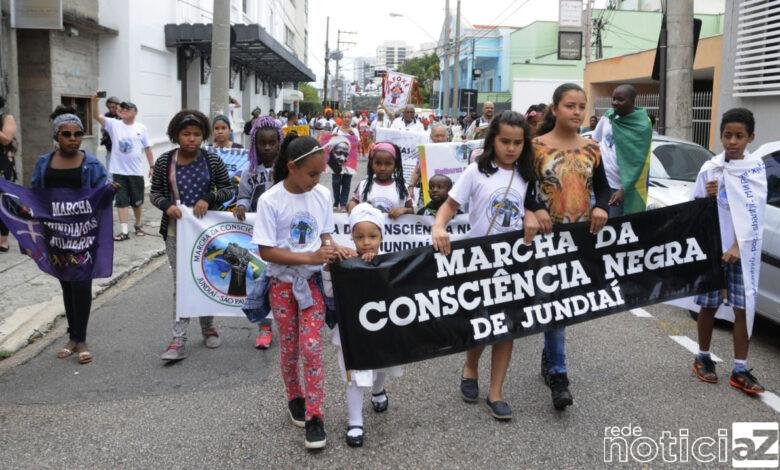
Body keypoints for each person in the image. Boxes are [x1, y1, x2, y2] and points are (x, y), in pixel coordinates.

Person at [431, 110, 539, 420]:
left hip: (515, 264)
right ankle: (470, 367)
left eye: (518, 143)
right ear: (493, 139)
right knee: (481, 323)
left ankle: (496, 392)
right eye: (505, 141)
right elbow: (449, 207)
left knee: (507, 327)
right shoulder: (476, 172)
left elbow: (532, 205)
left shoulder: (527, 173)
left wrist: (531, 213)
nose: (511, 148)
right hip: (479, 263)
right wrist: (439, 227)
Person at [252, 134, 352, 450]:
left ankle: (315, 416)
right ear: (292, 167)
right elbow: (266, 251)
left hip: (311, 285)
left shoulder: (321, 195)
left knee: (311, 347)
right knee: (291, 348)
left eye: (320, 173)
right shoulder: (270, 200)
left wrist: (336, 249)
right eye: (311, 173)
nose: (316, 179)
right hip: (282, 287)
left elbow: (324, 238)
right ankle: (294, 396)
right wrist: (309, 256)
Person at [531, 83, 610, 410]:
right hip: (544, 238)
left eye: (581, 106)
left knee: (563, 304)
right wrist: (534, 209)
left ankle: (553, 361)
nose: (576, 112)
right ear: (555, 108)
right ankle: (559, 374)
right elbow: (521, 189)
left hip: (579, 238)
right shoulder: (534, 147)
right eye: (570, 106)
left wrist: (601, 206)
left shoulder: (593, 148)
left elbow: (604, 189)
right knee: (551, 302)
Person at [691, 108, 768, 395]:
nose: (732, 141)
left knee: (742, 307)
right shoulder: (710, 168)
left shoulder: (755, 169)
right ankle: (702, 357)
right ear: (720, 135)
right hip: (713, 248)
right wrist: (708, 197)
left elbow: (755, 215)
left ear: (751, 137)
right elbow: (694, 208)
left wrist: (738, 245)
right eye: (727, 135)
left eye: (739, 136)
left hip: (741, 253)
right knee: (708, 304)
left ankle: (739, 368)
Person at [150, 110, 234, 362]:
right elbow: (154, 194)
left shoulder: (212, 160)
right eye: (186, 134)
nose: (192, 139)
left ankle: (208, 326)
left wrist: (208, 198)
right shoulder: (166, 162)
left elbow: (228, 189)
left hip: (206, 233)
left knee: (205, 278)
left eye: (197, 134)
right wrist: (167, 206)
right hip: (177, 233)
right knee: (182, 283)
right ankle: (178, 338)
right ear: (176, 135)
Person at [31, 107, 109, 364]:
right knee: (66, 283)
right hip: (56, 236)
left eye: (78, 134)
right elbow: (35, 194)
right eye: (66, 134)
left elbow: (102, 195)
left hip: (84, 235)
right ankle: (72, 337)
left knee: (81, 284)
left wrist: (109, 191)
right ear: (57, 136)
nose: (73, 138)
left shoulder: (92, 164)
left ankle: (82, 338)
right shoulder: (44, 163)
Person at [322, 203, 402, 447]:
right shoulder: (343, 262)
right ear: (351, 237)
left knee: (381, 367)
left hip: (382, 328)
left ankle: (378, 391)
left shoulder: (389, 262)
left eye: (372, 236)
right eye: (359, 236)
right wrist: (329, 270)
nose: (366, 242)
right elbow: (329, 292)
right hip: (351, 331)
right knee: (354, 377)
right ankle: (355, 421)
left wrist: (374, 265)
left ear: (381, 236)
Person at [235, 115, 283, 349]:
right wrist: (242, 205)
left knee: (282, 279)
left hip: (282, 233)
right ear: (254, 144)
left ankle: (287, 323)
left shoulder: (287, 170)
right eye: (262, 143)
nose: (267, 147)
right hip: (258, 233)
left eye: (272, 142)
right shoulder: (249, 172)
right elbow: (244, 195)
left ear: (279, 143)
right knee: (260, 280)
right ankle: (264, 326)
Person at [91, 97, 154, 241]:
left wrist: (152, 166)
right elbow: (96, 116)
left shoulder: (141, 128)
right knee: (121, 201)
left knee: (137, 201)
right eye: (122, 109)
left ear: (135, 112)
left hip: (136, 171)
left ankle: (138, 225)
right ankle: (124, 231)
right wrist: (94, 101)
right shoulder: (114, 124)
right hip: (118, 172)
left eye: (128, 109)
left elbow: (148, 148)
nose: (124, 111)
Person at [592, 84, 652, 217]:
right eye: (613, 99)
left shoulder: (642, 125)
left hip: (620, 188)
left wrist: (623, 190)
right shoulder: (608, 116)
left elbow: (639, 162)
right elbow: (595, 142)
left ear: (632, 101)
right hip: (600, 184)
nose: (614, 103)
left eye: (620, 99)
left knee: (615, 230)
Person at [347, 142, 413, 218]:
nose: (382, 168)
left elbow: (411, 210)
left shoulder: (402, 187)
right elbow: (354, 201)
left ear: (396, 165)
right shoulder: (363, 185)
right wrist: (352, 206)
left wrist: (404, 210)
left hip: (393, 229)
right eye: (378, 163)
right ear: (372, 164)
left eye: (388, 164)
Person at [408, 122, 450, 202]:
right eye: (437, 136)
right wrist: (411, 186)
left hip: (448, 196)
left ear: (447, 136)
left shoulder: (454, 150)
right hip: (428, 193)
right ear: (431, 137)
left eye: (442, 136)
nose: (440, 139)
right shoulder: (425, 151)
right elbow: (417, 171)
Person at [330, 112, 360, 211]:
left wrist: (353, 136)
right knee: (336, 182)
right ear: (342, 118)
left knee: (346, 183)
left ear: (351, 119)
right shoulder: (336, 129)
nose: (347, 119)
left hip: (349, 160)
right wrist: (333, 137)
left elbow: (357, 144)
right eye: (345, 117)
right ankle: (336, 201)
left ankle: (343, 204)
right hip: (336, 160)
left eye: (349, 117)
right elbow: (330, 144)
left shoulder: (354, 130)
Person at [0, 96, 18, 252]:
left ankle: (3, 240)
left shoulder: (6, 118)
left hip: (2, 164)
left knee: (2, 201)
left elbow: (6, 140)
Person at [99, 96, 120, 167]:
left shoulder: (123, 115)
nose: (111, 109)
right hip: (110, 148)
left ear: (118, 105)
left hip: (121, 149)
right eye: (109, 107)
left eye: (113, 107)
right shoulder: (107, 115)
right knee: (109, 172)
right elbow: (103, 128)